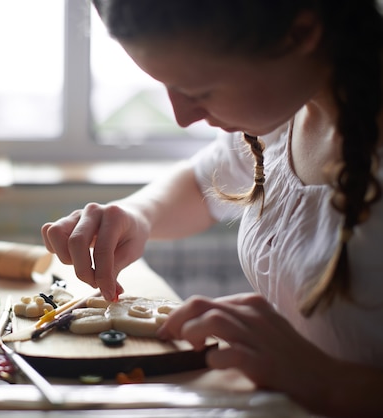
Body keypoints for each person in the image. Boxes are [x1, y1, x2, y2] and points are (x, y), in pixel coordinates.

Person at [41, 1, 383, 416]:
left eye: (199, 91)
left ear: (299, 34)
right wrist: (136, 215)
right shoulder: (287, 111)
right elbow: (202, 184)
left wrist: (327, 382)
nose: (182, 117)